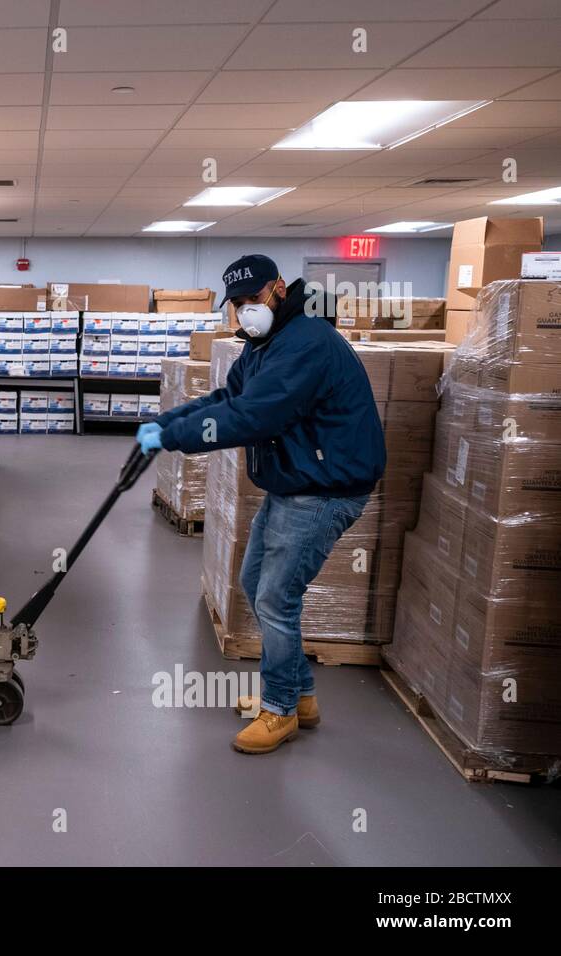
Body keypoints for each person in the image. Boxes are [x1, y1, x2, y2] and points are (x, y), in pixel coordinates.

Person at [137, 254, 385, 754]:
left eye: (253, 300)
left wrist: (176, 438)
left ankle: (280, 710)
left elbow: (252, 417)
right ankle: (302, 698)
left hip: (324, 489)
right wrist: (167, 422)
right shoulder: (267, 342)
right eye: (238, 304)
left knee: (275, 596)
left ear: (277, 288)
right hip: (296, 482)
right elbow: (229, 398)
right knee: (256, 582)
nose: (246, 311)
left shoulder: (306, 344)